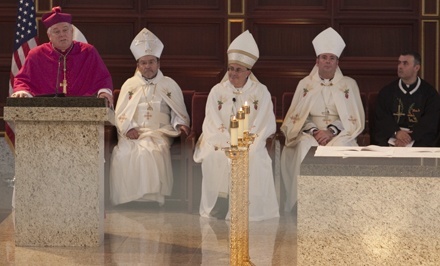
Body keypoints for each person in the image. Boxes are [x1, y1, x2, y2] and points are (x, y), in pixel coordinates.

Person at [193, 30, 279, 221]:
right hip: (220, 140)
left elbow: (263, 122)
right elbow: (212, 121)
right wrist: (228, 141)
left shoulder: (260, 92)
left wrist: (244, 142)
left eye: (238, 70)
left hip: (249, 141)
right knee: (216, 156)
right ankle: (220, 205)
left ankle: (248, 208)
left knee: (254, 157)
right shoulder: (217, 91)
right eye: (231, 68)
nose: (232, 73)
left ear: (248, 72)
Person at [280, 27, 365, 212]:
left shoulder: (348, 85)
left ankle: (341, 205)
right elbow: (299, 116)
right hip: (310, 133)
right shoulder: (305, 84)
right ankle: (301, 204)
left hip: (340, 133)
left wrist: (331, 131)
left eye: (332, 58)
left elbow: (353, 118)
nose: (328, 61)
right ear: (317, 61)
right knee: (303, 148)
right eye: (324, 57)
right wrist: (315, 131)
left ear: (337, 62)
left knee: (342, 148)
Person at [110, 28, 190, 206]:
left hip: (159, 132)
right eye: (143, 63)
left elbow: (178, 113)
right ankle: (129, 199)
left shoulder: (169, 84)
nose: (148, 66)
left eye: (151, 62)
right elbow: (120, 113)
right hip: (133, 132)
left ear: (158, 63)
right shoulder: (129, 85)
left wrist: (180, 125)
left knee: (151, 150)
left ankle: (151, 197)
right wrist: (128, 128)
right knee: (123, 153)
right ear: (138, 65)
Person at [11, 6, 113, 105]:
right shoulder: (36, 54)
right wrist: (22, 91)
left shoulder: (88, 52)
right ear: (49, 36)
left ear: (71, 31)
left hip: (82, 108)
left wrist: (104, 92)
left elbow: (103, 79)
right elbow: (23, 80)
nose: (62, 34)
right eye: (56, 31)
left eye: (65, 30)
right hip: (46, 111)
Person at [374, 51, 440, 147]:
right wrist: (396, 133)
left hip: (419, 140)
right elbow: (382, 118)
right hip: (392, 138)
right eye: (399, 62)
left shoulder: (430, 94)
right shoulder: (387, 92)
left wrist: (409, 138)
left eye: (405, 63)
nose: (400, 66)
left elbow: (430, 122)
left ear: (416, 68)